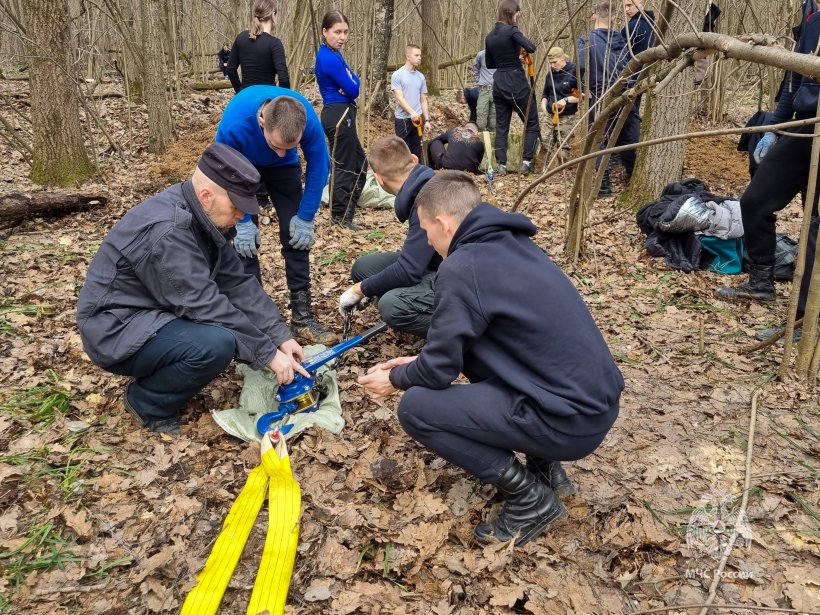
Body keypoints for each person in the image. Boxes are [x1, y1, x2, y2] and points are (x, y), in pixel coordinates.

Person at [358, 171, 623, 547]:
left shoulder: (463, 267)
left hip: (568, 420)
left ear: (442, 222)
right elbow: (465, 349)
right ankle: (547, 470)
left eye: (425, 231)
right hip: (591, 406)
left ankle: (531, 500)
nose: (428, 242)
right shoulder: (513, 244)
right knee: (479, 358)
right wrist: (414, 362)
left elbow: (439, 370)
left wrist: (396, 379)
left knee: (416, 408)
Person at [76, 143, 309, 435]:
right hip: (114, 329)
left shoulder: (205, 219)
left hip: (151, 312)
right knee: (216, 344)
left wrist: (279, 336)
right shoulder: (168, 231)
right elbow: (203, 304)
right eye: (236, 206)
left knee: (222, 335)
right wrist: (267, 354)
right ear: (206, 195)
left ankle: (164, 374)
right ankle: (147, 402)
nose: (241, 215)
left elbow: (237, 283)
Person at [715, 6, 820, 330]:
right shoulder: (813, 21)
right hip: (803, 127)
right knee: (755, 203)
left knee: (817, 226)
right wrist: (774, 128)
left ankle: (806, 319)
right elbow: (793, 79)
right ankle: (761, 281)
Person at [216, 86, 333, 344]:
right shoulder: (234, 123)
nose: (279, 151)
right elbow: (223, 172)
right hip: (242, 167)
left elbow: (319, 166)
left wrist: (306, 216)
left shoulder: (308, 119)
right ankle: (258, 321)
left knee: (296, 237)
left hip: (285, 171)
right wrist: (243, 222)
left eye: (289, 146)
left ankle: (302, 317)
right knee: (244, 245)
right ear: (262, 122)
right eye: (276, 145)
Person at [338, 136, 437, 338]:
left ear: (379, 178)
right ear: (414, 159)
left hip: (464, 280)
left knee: (391, 305)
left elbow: (408, 271)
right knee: (363, 268)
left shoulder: (428, 199)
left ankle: (451, 330)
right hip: (436, 263)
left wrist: (359, 290)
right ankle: (417, 301)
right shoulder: (421, 185)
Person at [577, 0, 637, 196]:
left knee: (598, 139)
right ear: (613, 18)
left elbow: (581, 69)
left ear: (594, 15)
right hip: (624, 92)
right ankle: (631, 177)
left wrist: (582, 89)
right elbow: (631, 66)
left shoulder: (585, 41)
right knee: (629, 136)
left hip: (599, 95)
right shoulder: (622, 40)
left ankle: (603, 187)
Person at [315, 9, 368, 230]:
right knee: (345, 167)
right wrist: (350, 80)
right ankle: (339, 218)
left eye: (345, 32)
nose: (342, 37)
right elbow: (353, 89)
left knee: (361, 165)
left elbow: (353, 81)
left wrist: (350, 79)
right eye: (337, 32)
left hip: (344, 112)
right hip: (337, 115)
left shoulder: (335, 53)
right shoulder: (328, 57)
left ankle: (347, 214)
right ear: (325, 31)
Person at [485, 0, 540, 175]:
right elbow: (531, 47)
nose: (517, 17)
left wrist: (511, 57)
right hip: (515, 81)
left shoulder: (489, 36)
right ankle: (526, 162)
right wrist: (517, 56)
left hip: (498, 81)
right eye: (517, 14)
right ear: (511, 14)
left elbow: (490, 63)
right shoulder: (512, 31)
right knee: (532, 121)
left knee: (502, 125)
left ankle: (501, 164)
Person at [227, 0, 290, 93]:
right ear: (273, 14)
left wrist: (240, 92)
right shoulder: (275, 43)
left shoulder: (241, 38)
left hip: (245, 95)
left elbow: (230, 69)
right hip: (267, 97)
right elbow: (284, 79)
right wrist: (281, 100)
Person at [391, 44, 431, 160]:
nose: (419, 58)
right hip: (403, 119)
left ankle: (416, 175)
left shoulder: (421, 77)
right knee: (402, 151)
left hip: (418, 119)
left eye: (420, 55)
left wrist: (427, 120)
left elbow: (423, 100)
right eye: (416, 55)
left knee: (417, 151)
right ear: (408, 56)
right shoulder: (397, 75)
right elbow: (399, 98)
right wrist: (412, 112)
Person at [541, 47, 579, 163]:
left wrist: (566, 100)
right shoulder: (550, 74)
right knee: (543, 146)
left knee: (563, 152)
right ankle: (540, 172)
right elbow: (545, 93)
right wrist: (543, 105)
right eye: (550, 63)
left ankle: (562, 174)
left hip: (566, 116)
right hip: (550, 115)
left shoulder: (573, 72)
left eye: (555, 62)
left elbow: (580, 96)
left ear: (562, 58)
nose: (552, 65)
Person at [473, 49, 497, 132]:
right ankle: (480, 140)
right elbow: (476, 68)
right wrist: (479, 81)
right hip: (484, 90)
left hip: (497, 91)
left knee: (494, 118)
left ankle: (493, 140)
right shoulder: (481, 55)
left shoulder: (502, 54)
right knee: (481, 115)